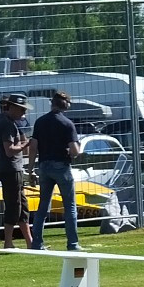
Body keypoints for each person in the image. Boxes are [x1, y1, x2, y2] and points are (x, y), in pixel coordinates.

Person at [27, 90, 84, 252]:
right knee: (70, 206)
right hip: (62, 167)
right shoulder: (67, 124)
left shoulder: (40, 122)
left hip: (44, 166)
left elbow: (33, 147)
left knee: (43, 205)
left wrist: (31, 169)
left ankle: (36, 243)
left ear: (52, 103)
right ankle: (72, 244)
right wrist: (76, 148)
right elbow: (75, 151)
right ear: (66, 105)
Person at [0, 93, 33, 249]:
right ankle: (7, 242)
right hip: (10, 169)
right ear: (12, 107)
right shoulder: (6, 124)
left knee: (22, 206)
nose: (24, 113)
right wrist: (26, 145)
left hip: (12, 169)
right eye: (21, 110)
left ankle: (30, 242)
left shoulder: (5, 120)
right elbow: (9, 150)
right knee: (14, 207)